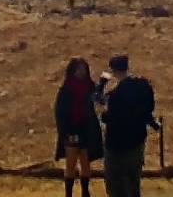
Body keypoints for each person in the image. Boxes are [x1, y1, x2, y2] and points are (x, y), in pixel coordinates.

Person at [100, 55, 157, 197]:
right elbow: (149, 108)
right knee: (134, 182)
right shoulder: (143, 86)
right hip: (137, 142)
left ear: (113, 71)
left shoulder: (116, 95)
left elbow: (110, 117)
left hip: (117, 147)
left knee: (116, 186)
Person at [55, 57, 103, 197]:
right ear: (73, 71)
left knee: (85, 161)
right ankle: (68, 193)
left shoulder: (90, 86)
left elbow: (98, 100)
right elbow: (59, 111)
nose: (81, 72)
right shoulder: (66, 88)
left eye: (83, 69)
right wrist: (63, 131)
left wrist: (101, 87)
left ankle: (85, 191)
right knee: (71, 162)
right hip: (71, 129)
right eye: (78, 69)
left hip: (86, 129)